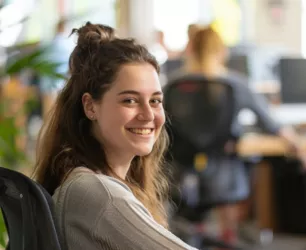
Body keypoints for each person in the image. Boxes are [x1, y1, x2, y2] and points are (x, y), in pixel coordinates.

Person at [33, 22, 197, 250]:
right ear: (90, 106)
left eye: (155, 101)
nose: (148, 114)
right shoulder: (100, 195)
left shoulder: (83, 180)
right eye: (129, 100)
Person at [166, 26, 306, 245]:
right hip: (224, 175)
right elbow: (271, 124)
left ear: (190, 49)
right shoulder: (235, 84)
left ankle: (192, 236)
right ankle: (227, 235)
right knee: (238, 168)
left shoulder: (173, 85)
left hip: (180, 175)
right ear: (222, 52)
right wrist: (300, 147)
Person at [39, 18, 75, 119]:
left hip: (47, 83)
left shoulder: (48, 43)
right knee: (59, 116)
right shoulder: (69, 44)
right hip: (63, 83)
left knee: (47, 115)